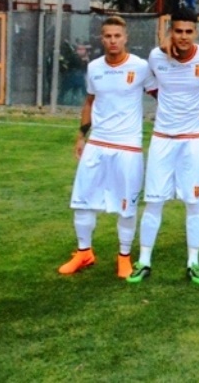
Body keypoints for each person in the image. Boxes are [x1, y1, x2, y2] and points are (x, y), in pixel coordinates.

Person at [128, 8, 199, 285]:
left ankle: (193, 262)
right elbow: (151, 85)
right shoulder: (156, 57)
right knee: (154, 201)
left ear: (196, 32)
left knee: (194, 203)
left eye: (188, 31)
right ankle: (144, 261)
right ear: (171, 32)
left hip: (193, 141)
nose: (183, 36)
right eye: (178, 31)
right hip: (163, 139)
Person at [58, 16, 157, 278]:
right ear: (102, 39)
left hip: (128, 146)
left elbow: (160, 94)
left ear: (125, 38)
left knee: (127, 205)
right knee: (82, 200)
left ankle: (124, 256)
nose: (113, 40)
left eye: (117, 36)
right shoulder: (94, 68)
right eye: (108, 36)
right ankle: (84, 252)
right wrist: (81, 136)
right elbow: (90, 102)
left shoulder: (141, 67)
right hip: (97, 143)